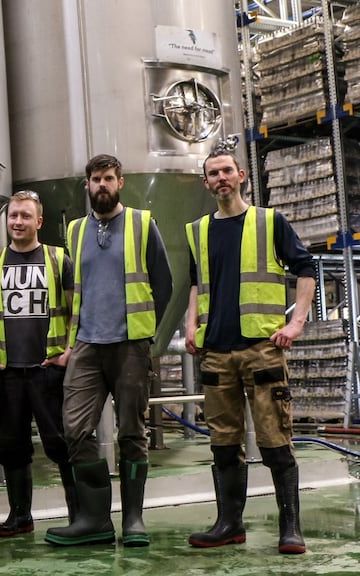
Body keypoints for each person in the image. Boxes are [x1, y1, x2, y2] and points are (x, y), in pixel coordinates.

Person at [185, 143, 315, 555]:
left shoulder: (269, 222)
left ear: (241, 176)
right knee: (223, 444)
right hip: (216, 353)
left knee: (275, 440)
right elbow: (196, 282)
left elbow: (306, 268)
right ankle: (229, 525)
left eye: (227, 171)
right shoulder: (197, 231)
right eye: (213, 173)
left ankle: (290, 528)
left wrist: (296, 322)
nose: (221, 178)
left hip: (262, 350)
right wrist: (191, 325)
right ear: (206, 183)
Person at [44, 154, 172, 548]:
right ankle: (95, 519)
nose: (102, 185)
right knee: (75, 429)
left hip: (130, 344)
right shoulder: (76, 230)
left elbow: (164, 284)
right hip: (87, 345)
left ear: (121, 183)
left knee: (132, 432)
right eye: (96, 179)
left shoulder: (142, 223)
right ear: (87, 184)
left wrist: (145, 332)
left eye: (109, 178)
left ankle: (133, 519)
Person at [0, 190, 77, 537]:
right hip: (8, 373)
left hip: (48, 370)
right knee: (12, 447)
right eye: (13, 215)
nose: (17, 222)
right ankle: (20, 517)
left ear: (39, 222)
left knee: (61, 444)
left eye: (25, 216)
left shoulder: (58, 260)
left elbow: (76, 309)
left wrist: (67, 352)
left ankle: (79, 515)